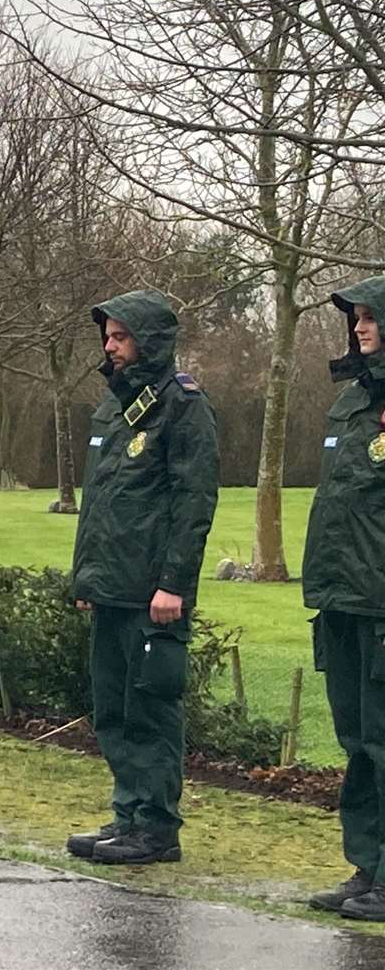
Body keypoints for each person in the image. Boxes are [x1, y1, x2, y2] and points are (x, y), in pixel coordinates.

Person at [66, 289, 218, 866]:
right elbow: (102, 503)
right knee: (114, 709)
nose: (110, 346)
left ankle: (156, 827)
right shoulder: (112, 406)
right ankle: (128, 813)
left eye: (121, 337)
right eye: (107, 337)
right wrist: (88, 580)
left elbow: (193, 500)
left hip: (154, 592)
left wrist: (174, 582)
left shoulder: (183, 405)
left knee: (151, 708)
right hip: (112, 585)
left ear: (149, 341)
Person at [304, 278, 385, 918]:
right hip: (343, 599)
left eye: (369, 318)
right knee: (357, 740)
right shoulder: (351, 404)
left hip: (382, 601)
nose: (359, 328)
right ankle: (367, 866)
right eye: (355, 319)